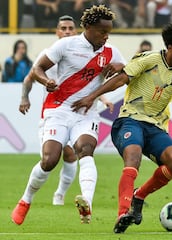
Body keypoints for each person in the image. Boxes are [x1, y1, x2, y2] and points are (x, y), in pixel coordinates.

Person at [71, 19, 172, 233]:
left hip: (156, 128)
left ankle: (139, 196)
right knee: (133, 156)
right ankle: (123, 213)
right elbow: (121, 79)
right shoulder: (148, 60)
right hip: (129, 120)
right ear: (170, 48)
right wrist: (91, 97)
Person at [11, 4, 126, 225]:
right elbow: (36, 69)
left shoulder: (111, 51)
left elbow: (126, 74)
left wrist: (119, 67)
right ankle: (26, 200)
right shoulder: (66, 45)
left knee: (85, 150)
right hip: (58, 110)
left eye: (108, 32)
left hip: (86, 114)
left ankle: (87, 204)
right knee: (49, 160)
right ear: (89, 27)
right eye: (102, 32)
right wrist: (47, 82)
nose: (106, 36)